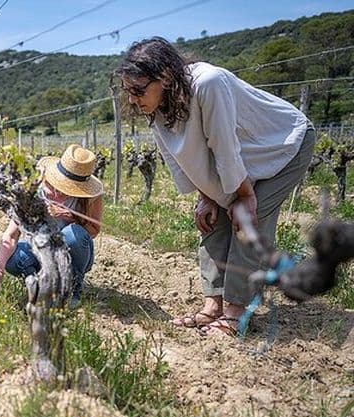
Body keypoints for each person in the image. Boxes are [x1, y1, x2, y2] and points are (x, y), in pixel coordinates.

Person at [115, 37, 316, 337]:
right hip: (240, 161)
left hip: (282, 146)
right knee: (211, 221)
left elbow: (224, 146)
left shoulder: (208, 83)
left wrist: (245, 196)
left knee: (245, 223)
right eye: (129, 92)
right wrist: (206, 196)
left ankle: (236, 313)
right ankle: (213, 306)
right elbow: (182, 159)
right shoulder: (157, 108)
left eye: (139, 91)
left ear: (166, 77)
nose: (132, 100)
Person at [0, 144, 103, 309]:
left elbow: (93, 231)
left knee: (73, 233)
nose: (60, 193)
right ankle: (38, 286)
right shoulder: (35, 193)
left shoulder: (89, 198)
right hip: (39, 252)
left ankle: (74, 284)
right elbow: (10, 235)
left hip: (71, 255)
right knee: (13, 258)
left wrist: (70, 217)